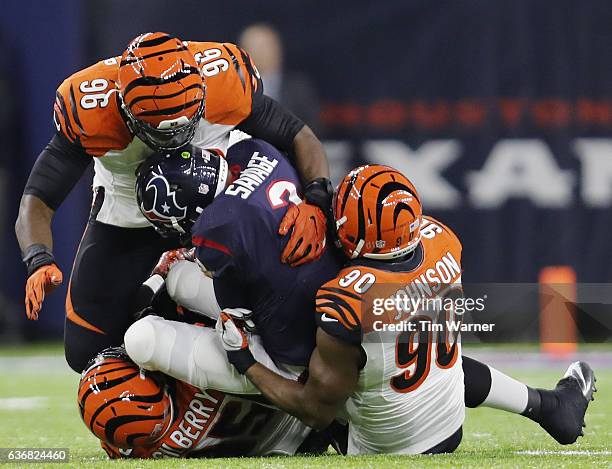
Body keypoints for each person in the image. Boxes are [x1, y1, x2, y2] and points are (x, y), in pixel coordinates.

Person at [130, 142, 596, 451]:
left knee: (254, 350)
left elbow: (317, 408)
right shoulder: (442, 239)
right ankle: (547, 407)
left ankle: (256, 434)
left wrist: (244, 359)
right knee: (428, 355)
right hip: (444, 412)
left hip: (385, 444)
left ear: (357, 236)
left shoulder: (342, 302)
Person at [15, 31, 333, 373]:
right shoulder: (91, 108)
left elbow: (297, 135)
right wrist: (38, 258)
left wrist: (314, 198)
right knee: (85, 352)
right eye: (161, 130)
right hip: (128, 216)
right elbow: (38, 199)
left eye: (185, 123)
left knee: (279, 302)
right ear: (125, 107)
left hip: (214, 203)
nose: (176, 137)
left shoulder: (225, 80)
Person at [78, 347, 335, 459]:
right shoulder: (188, 375)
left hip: (293, 443)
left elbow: (118, 420)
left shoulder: (134, 443)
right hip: (298, 399)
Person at [239, 24, 322, 134]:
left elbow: (314, 128)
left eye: (264, 46)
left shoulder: (298, 87)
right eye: (253, 47)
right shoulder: (230, 90)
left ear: (278, 49)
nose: (260, 52)